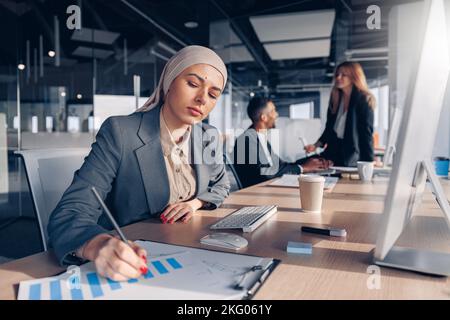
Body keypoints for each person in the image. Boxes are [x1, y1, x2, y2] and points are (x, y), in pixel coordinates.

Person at [48, 46, 230, 281]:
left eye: (213, 94)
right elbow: (70, 212)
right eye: (193, 84)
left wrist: (195, 203)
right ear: (168, 81)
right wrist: (98, 244)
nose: (202, 99)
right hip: (135, 257)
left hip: (192, 251)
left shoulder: (208, 136)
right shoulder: (121, 132)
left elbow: (222, 186)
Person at [232, 96, 332, 188]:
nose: (276, 114)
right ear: (264, 117)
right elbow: (267, 173)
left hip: (267, 189)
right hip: (257, 194)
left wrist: (313, 161)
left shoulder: (259, 138)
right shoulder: (246, 140)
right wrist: (303, 168)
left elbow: (281, 166)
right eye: (273, 111)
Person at [304, 61, 376, 166]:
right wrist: (315, 145)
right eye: (337, 74)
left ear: (354, 77)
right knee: (300, 164)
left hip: (350, 157)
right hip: (332, 152)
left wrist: (369, 164)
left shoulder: (364, 100)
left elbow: (366, 134)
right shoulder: (335, 98)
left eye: (343, 75)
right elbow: (329, 129)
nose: (338, 77)